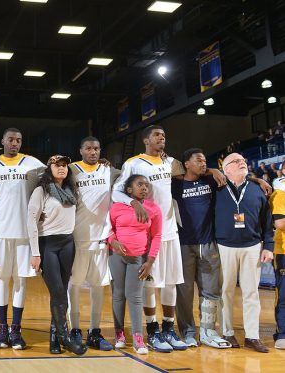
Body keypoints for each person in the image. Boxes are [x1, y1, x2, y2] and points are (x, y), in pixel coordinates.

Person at [112, 125, 225, 353]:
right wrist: (133, 202)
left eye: (164, 135)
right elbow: (117, 190)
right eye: (156, 135)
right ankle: (152, 329)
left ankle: (168, 328)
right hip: (148, 232)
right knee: (149, 284)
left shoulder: (171, 162)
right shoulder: (134, 163)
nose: (161, 138)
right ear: (146, 140)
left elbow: (194, 171)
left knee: (171, 281)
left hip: (171, 230)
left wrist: (212, 170)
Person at [0, 128, 45, 350]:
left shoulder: (33, 163)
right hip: (0, 232)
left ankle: (15, 330)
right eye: (10, 139)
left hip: (25, 233)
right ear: (2, 141)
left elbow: (54, 179)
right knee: (1, 280)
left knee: (21, 280)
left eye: (18, 140)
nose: (14, 143)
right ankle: (1, 329)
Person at [172, 149, 231, 348]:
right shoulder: (175, 184)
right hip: (183, 244)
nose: (203, 163)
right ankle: (188, 332)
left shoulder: (211, 181)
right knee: (184, 292)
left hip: (208, 243)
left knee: (211, 290)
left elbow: (238, 180)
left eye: (205, 160)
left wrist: (260, 181)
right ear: (186, 164)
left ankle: (208, 331)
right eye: (198, 160)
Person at [215, 152, 273, 353]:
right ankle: (227, 332)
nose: (242, 163)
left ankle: (252, 336)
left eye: (243, 161)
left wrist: (269, 246)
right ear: (226, 169)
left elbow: (267, 221)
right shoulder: (217, 188)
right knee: (226, 292)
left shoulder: (258, 189)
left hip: (252, 247)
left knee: (251, 293)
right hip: (224, 246)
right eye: (236, 162)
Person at [28, 155, 86, 355]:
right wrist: (35, 253)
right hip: (48, 245)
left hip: (67, 244)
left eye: (64, 165)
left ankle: (55, 337)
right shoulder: (41, 191)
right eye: (57, 165)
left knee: (60, 293)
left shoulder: (71, 190)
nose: (61, 168)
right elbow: (31, 222)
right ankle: (65, 338)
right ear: (49, 168)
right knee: (59, 292)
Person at [68, 137, 118, 351]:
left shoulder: (108, 170)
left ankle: (95, 332)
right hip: (77, 236)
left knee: (99, 287)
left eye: (96, 148)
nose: (93, 152)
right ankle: (75, 330)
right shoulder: (70, 169)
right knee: (75, 285)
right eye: (88, 148)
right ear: (80, 150)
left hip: (101, 238)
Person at [107, 174, 161, 355]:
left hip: (137, 259)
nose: (144, 188)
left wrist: (150, 261)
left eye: (146, 185)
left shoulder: (153, 209)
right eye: (140, 184)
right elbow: (109, 230)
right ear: (129, 189)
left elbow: (157, 236)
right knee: (118, 295)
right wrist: (113, 241)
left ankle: (138, 337)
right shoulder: (116, 208)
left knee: (136, 296)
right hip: (116, 257)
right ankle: (119, 334)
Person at [270, 189, 285, 350]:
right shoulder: (281, 193)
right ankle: (282, 334)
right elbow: (280, 223)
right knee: (284, 295)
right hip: (283, 251)